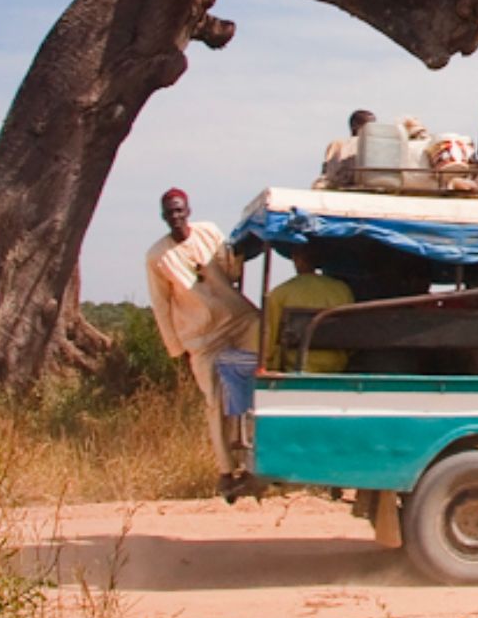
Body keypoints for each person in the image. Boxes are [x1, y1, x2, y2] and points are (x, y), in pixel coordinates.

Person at [145, 188, 260, 497]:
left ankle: (256, 457)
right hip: (201, 336)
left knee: (262, 370)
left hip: (236, 318)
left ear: (188, 211)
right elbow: (160, 304)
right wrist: (178, 349)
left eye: (179, 210)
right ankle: (226, 471)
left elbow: (232, 270)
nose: (175, 217)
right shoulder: (158, 256)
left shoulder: (208, 232)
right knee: (215, 400)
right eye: (170, 212)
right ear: (163, 216)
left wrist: (244, 251)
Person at [261, 242, 354, 373]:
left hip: (295, 366)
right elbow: (351, 336)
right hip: (335, 366)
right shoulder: (342, 289)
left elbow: (268, 343)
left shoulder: (279, 293)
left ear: (296, 259)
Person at [314, 109, 376, 190]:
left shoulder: (375, 145)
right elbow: (332, 171)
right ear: (355, 125)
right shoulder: (339, 144)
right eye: (369, 126)